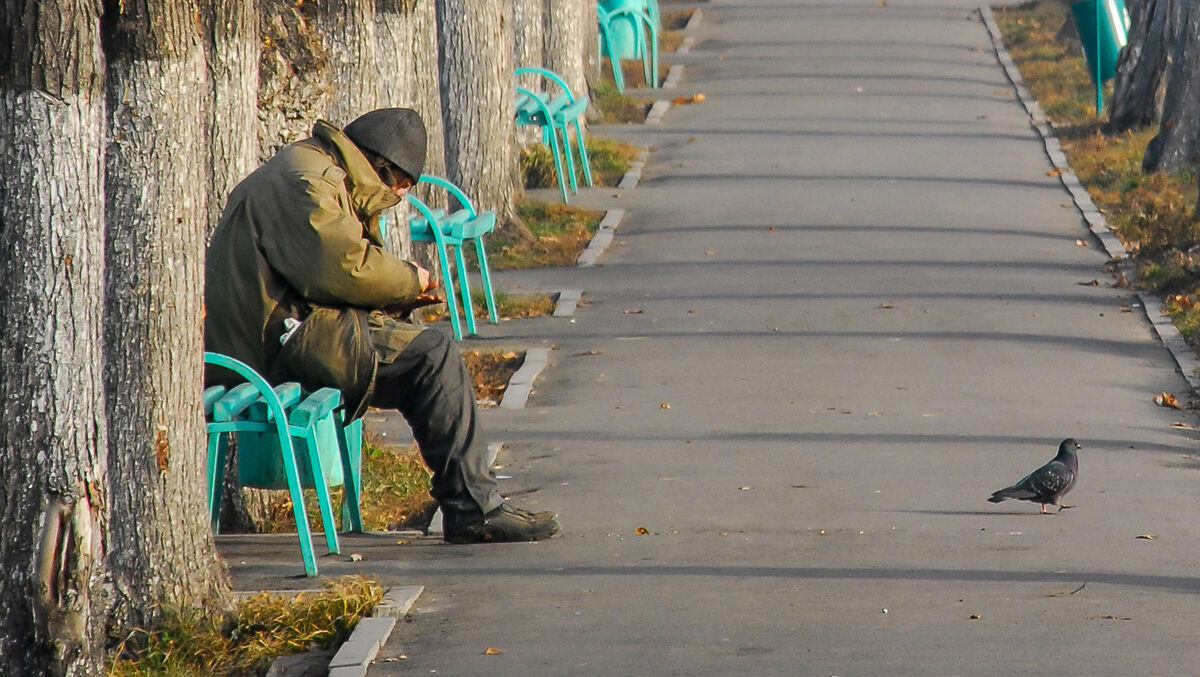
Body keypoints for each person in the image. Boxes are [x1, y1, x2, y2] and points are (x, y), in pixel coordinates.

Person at [204, 108, 559, 543]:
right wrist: (412, 279)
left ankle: (472, 502)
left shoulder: (312, 167)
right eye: (399, 188)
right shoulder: (308, 183)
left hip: (280, 328)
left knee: (422, 347)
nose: (398, 197)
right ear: (381, 166)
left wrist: (402, 294)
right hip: (270, 345)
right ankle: (472, 510)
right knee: (432, 356)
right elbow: (344, 267)